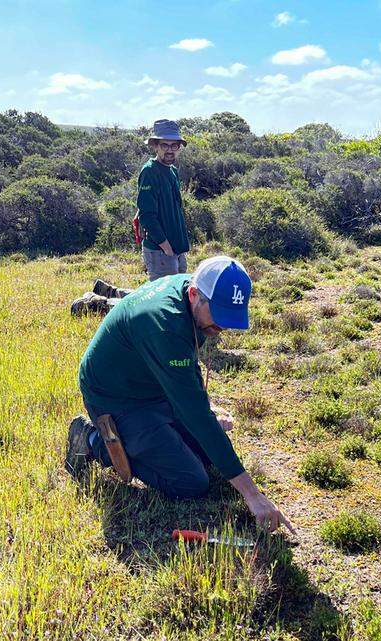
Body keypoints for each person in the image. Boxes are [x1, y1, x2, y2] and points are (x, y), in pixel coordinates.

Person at [65, 256, 297, 535]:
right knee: (191, 482)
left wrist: (204, 409)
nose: (222, 327)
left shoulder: (189, 294)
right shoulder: (165, 324)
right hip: (115, 395)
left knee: (208, 458)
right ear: (194, 294)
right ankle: (91, 439)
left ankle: (148, 431)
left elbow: (188, 371)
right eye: (219, 314)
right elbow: (196, 414)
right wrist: (252, 494)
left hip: (151, 381)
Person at [136, 119, 191, 281]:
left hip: (177, 248)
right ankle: (101, 302)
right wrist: (166, 247)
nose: (169, 150)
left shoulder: (172, 170)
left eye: (174, 146)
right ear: (155, 146)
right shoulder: (149, 172)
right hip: (161, 250)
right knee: (163, 301)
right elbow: (147, 216)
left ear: (179, 148)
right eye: (164, 145)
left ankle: (111, 293)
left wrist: (177, 248)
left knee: (180, 294)